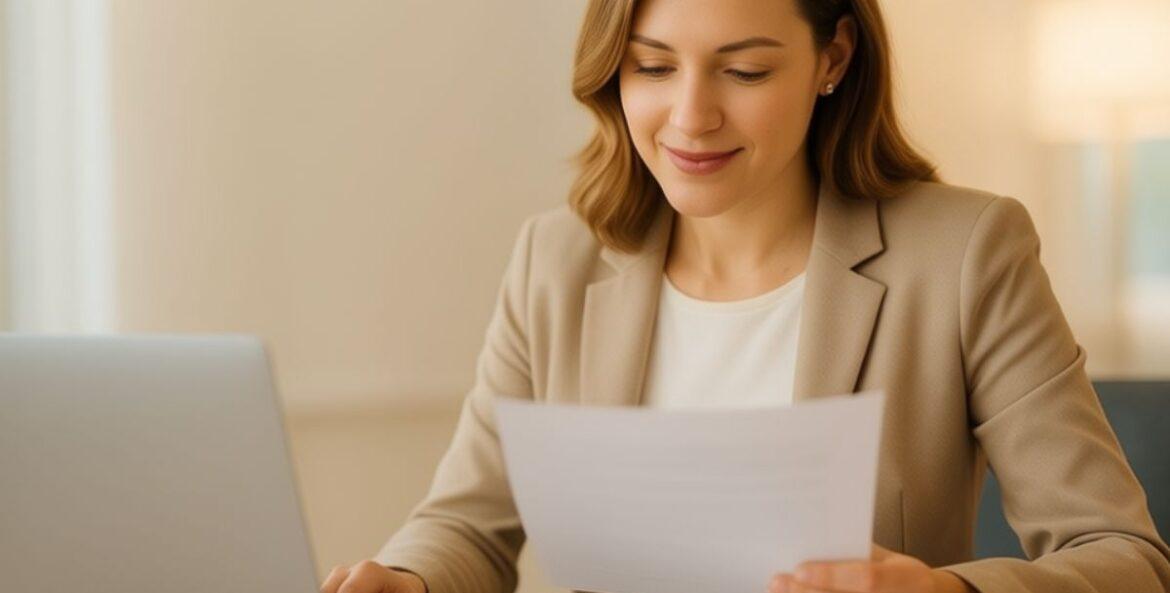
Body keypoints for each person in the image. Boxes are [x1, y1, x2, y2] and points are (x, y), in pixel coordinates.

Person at [319, 0, 1170, 592]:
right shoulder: (558, 259)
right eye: (653, 66)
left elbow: (1124, 558)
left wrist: (944, 589)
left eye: (746, 71)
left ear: (832, 58)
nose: (690, 118)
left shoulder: (962, 253)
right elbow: (468, 524)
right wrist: (405, 576)